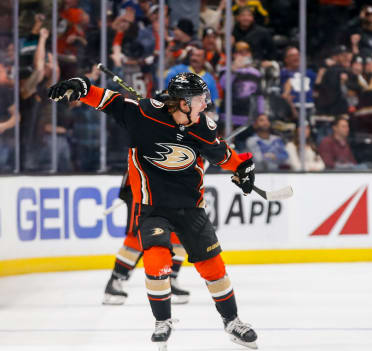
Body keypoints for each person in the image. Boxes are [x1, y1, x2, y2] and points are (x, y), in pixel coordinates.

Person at [48, 72, 258, 350]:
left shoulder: (203, 126)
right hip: (153, 208)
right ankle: (162, 322)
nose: (204, 104)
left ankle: (232, 322)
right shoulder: (143, 114)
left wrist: (242, 168)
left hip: (191, 208)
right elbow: (109, 101)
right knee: (156, 261)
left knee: (214, 268)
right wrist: (83, 87)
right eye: (199, 99)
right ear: (182, 103)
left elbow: (221, 154)